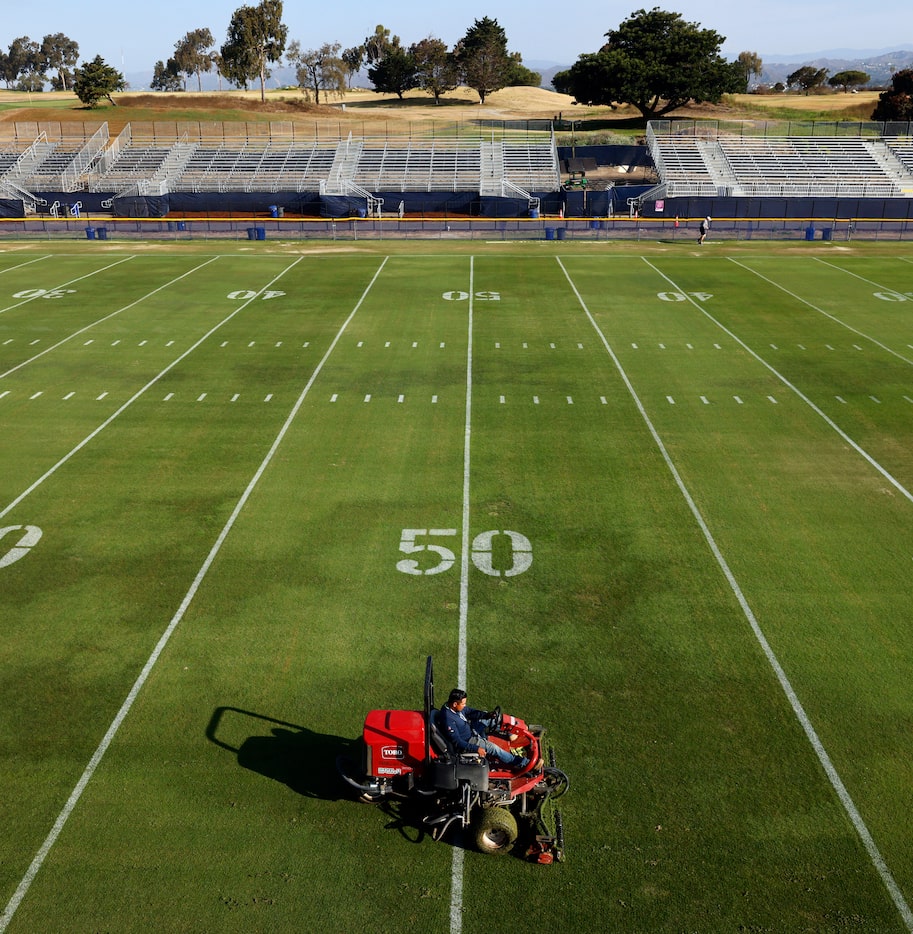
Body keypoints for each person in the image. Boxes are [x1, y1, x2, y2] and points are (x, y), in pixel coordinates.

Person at [438, 689, 528, 770]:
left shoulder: (452, 707)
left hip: (470, 729)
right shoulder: (448, 720)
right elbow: (457, 742)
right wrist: (476, 748)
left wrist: (486, 715)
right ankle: (522, 763)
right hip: (469, 740)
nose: (464, 705)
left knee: (489, 719)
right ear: (455, 704)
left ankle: (513, 730)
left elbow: (469, 711)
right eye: (463, 704)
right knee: (494, 748)